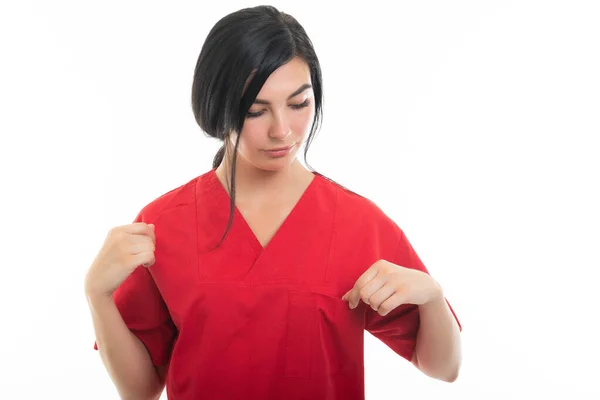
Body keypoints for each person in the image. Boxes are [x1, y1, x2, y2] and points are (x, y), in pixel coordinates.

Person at [84, 5, 462, 400]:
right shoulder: (163, 225)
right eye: (254, 110)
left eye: (299, 104)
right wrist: (98, 294)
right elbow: (140, 390)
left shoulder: (358, 224)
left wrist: (432, 295)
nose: (282, 130)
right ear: (216, 107)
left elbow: (444, 367)